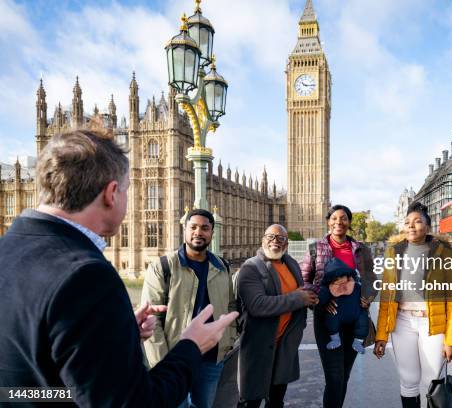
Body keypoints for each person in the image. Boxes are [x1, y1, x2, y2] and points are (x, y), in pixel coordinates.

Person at [0, 129, 237, 407]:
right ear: (112, 193)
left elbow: (30, 386)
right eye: (127, 189)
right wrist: (191, 347)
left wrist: (117, 334)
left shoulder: (9, 248)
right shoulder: (86, 275)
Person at [141, 208, 239, 408]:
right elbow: (151, 320)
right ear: (184, 230)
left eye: (205, 228)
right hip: (175, 359)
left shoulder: (223, 267)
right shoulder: (163, 267)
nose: (198, 232)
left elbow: (230, 305)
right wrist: (163, 363)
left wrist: (228, 339)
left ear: (212, 232)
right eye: (193, 227)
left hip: (212, 359)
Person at [374, 202, 452, 408]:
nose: (411, 226)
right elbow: (387, 295)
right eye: (407, 222)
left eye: (417, 221)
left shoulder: (444, 252)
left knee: (432, 380)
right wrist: (381, 335)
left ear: (428, 227)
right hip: (402, 322)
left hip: (432, 323)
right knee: (408, 380)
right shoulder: (393, 252)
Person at [300, 204, 377, 408]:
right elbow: (304, 279)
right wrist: (321, 299)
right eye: (334, 218)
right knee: (334, 378)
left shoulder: (361, 249)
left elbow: (371, 279)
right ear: (328, 221)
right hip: (327, 318)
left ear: (349, 222)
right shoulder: (316, 248)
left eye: (343, 218)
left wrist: (367, 297)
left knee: (344, 375)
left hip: (354, 316)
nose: (339, 222)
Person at [237, 224, 318, 407]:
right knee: (251, 401)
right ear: (263, 240)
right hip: (259, 348)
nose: (275, 241)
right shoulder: (250, 268)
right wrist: (299, 298)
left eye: (281, 238)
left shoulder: (292, 265)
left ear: (287, 244)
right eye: (271, 237)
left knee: (276, 400)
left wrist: (313, 300)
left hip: (284, 347)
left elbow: (302, 294)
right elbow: (258, 305)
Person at [317, 258, 369, 354]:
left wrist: (368, 299)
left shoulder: (355, 285)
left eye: (342, 277)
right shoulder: (329, 288)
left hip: (356, 313)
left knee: (363, 321)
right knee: (331, 319)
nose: (340, 280)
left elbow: (367, 291)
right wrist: (320, 301)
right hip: (336, 313)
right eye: (336, 279)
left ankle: (358, 342)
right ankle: (335, 339)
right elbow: (321, 299)